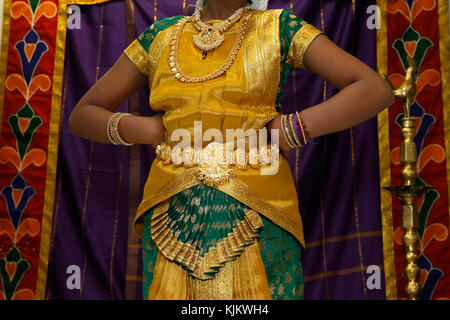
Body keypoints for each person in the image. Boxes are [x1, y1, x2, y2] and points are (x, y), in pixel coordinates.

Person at [68, 0, 394, 300]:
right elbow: (84, 115)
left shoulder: (278, 27)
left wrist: (291, 129)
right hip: (171, 219)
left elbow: (373, 89)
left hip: (259, 213)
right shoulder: (161, 35)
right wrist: (147, 129)